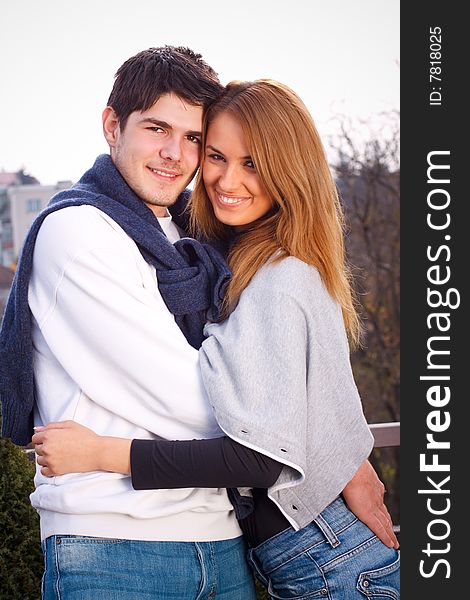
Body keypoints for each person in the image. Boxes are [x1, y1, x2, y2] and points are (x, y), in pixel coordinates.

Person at [32, 79, 400, 599]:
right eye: (217, 155)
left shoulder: (279, 276)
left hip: (331, 560)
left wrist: (101, 453)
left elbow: (261, 451)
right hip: (296, 555)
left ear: (287, 171)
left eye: (253, 163)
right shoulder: (225, 255)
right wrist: (344, 451)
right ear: (113, 126)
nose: (226, 179)